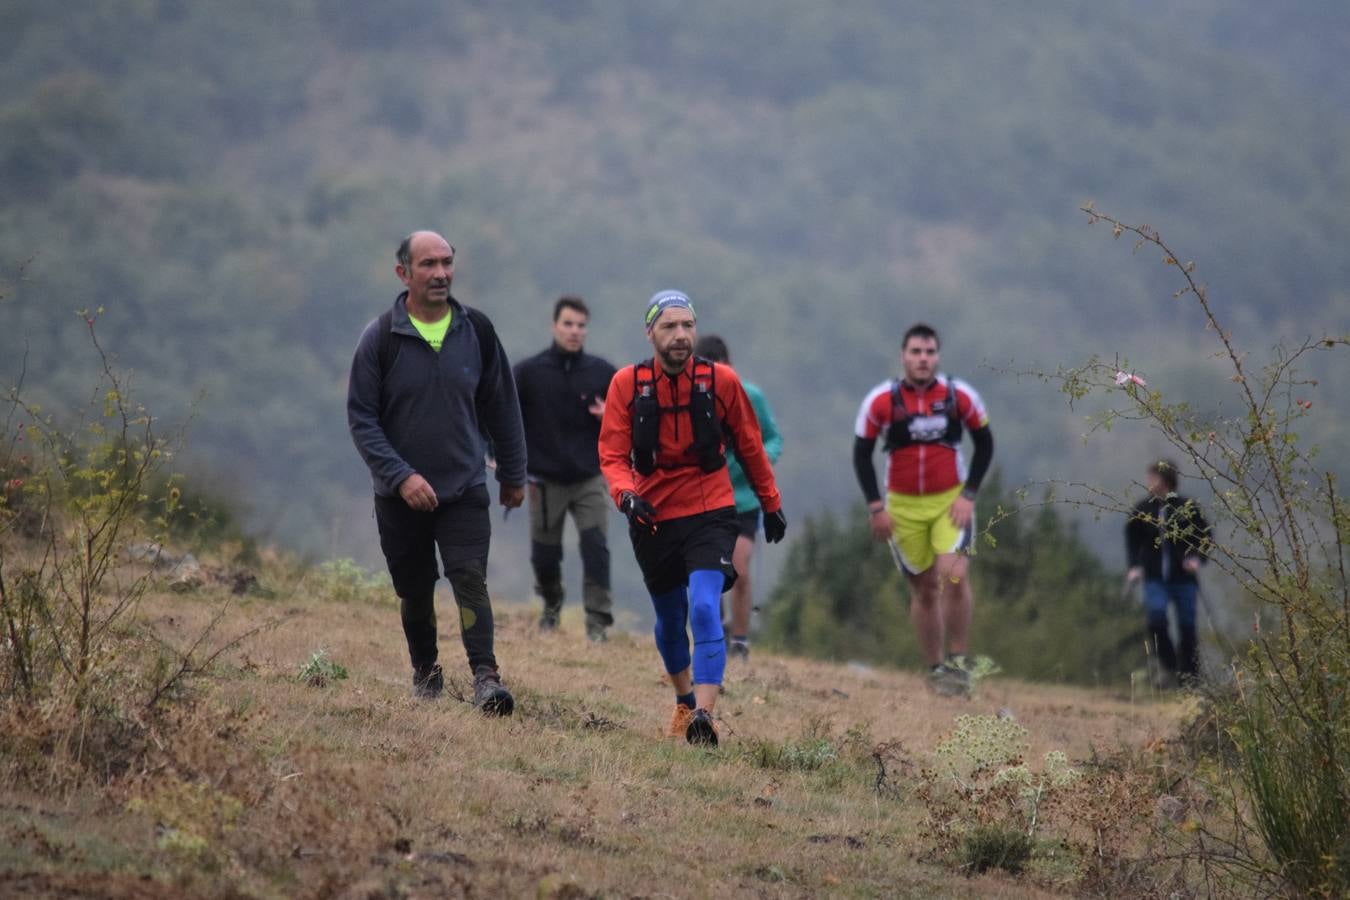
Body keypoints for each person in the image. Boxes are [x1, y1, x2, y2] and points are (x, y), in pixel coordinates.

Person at [347, 230, 527, 715]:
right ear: (403, 273)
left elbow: (502, 406)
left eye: (447, 262)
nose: (441, 273)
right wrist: (401, 476)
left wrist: (513, 473)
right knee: (415, 587)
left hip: (464, 485)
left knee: (470, 578)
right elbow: (362, 419)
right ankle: (425, 671)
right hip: (398, 495)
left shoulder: (478, 332)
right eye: (428, 264)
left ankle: (486, 679)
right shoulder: (380, 338)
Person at [599, 290, 787, 745]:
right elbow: (611, 453)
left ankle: (705, 716)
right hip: (652, 516)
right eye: (669, 326)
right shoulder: (628, 384)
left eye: (687, 326)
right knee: (669, 618)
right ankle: (684, 702)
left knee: (704, 607)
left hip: (711, 510)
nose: (681, 335)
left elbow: (750, 444)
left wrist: (771, 502)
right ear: (650, 333)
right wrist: (625, 497)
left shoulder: (720, 381)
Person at [852, 323, 994, 697]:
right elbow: (861, 453)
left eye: (929, 352)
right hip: (901, 507)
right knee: (924, 589)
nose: (923, 359)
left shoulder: (959, 395)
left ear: (938, 356)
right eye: (916, 352)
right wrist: (875, 507)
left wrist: (969, 495)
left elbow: (985, 444)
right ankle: (935, 669)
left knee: (955, 574)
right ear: (903, 355)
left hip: (950, 501)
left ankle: (960, 663)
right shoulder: (881, 400)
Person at [514, 296, 618, 641]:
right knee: (544, 555)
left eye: (581, 325)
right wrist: (504, 457)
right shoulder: (529, 373)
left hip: (589, 477)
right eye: (568, 324)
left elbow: (630, 419)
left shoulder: (603, 373)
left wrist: (610, 417)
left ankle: (598, 624)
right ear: (554, 326)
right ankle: (552, 604)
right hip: (544, 481)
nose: (575, 332)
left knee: (595, 548)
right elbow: (504, 415)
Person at [692, 334, 783, 662]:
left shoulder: (750, 396)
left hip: (744, 499)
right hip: (703, 499)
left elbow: (773, 438)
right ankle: (715, 634)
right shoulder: (691, 398)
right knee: (708, 575)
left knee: (739, 569)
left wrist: (760, 458)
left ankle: (741, 642)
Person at [1125, 458, 1211, 687]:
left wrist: (1197, 559)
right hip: (1154, 578)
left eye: (1153, 477)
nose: (1149, 482)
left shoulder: (1188, 507)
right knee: (1156, 620)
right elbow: (1132, 540)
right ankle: (1169, 665)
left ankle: (1191, 679)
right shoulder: (1143, 509)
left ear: (1165, 480)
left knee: (1187, 628)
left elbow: (1204, 537)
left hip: (1184, 579)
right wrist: (1134, 566)